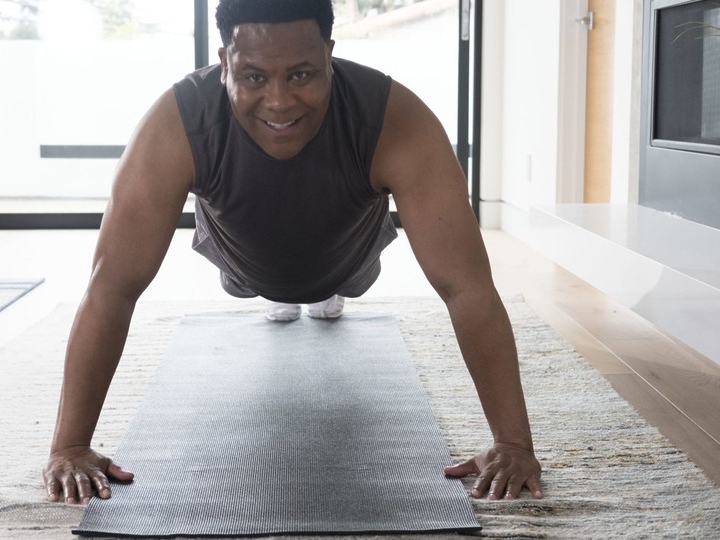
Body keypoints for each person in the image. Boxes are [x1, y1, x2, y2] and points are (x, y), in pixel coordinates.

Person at [42, 0, 543, 506]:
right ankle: (280, 292)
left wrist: (513, 442)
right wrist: (69, 445)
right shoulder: (176, 123)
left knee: (342, 282)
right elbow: (111, 288)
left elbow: (467, 287)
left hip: (351, 256)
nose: (279, 101)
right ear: (223, 64)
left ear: (330, 54)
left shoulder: (393, 117)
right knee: (249, 282)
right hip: (240, 258)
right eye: (254, 77)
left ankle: (324, 294)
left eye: (301, 74)